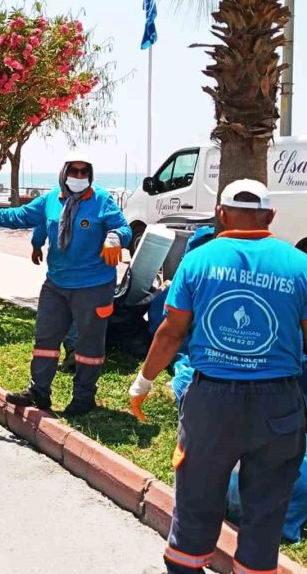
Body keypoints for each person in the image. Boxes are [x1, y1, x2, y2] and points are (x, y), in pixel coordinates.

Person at [129, 179, 307, 574]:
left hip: (211, 404)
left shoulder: (198, 260)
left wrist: (143, 382)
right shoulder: (300, 265)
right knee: (265, 512)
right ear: (271, 215)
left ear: (221, 214)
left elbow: (171, 332)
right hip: (277, 406)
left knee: (196, 500)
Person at [0, 151, 131, 416]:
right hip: (57, 283)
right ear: (64, 173)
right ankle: (39, 392)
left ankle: (84, 397)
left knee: (88, 345)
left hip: (93, 285)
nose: (79, 176)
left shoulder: (101, 199)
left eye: (84, 172)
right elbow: (23, 216)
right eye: (74, 171)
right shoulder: (52, 199)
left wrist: (114, 238)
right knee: (46, 337)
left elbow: (124, 228)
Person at [32, 224, 79, 372]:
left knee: (61, 313)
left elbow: (41, 223)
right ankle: (74, 351)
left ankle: (72, 351)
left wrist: (36, 245)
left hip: (65, 272)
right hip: (86, 273)